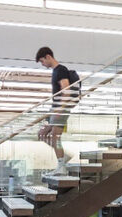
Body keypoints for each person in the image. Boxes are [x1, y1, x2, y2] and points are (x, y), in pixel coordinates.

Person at [35, 47, 80, 176]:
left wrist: (60, 109)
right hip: (55, 107)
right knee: (42, 134)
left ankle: (61, 165)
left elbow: (66, 89)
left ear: (48, 56)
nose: (43, 65)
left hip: (61, 108)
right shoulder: (56, 71)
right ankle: (64, 157)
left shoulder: (61, 70)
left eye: (42, 61)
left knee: (55, 136)